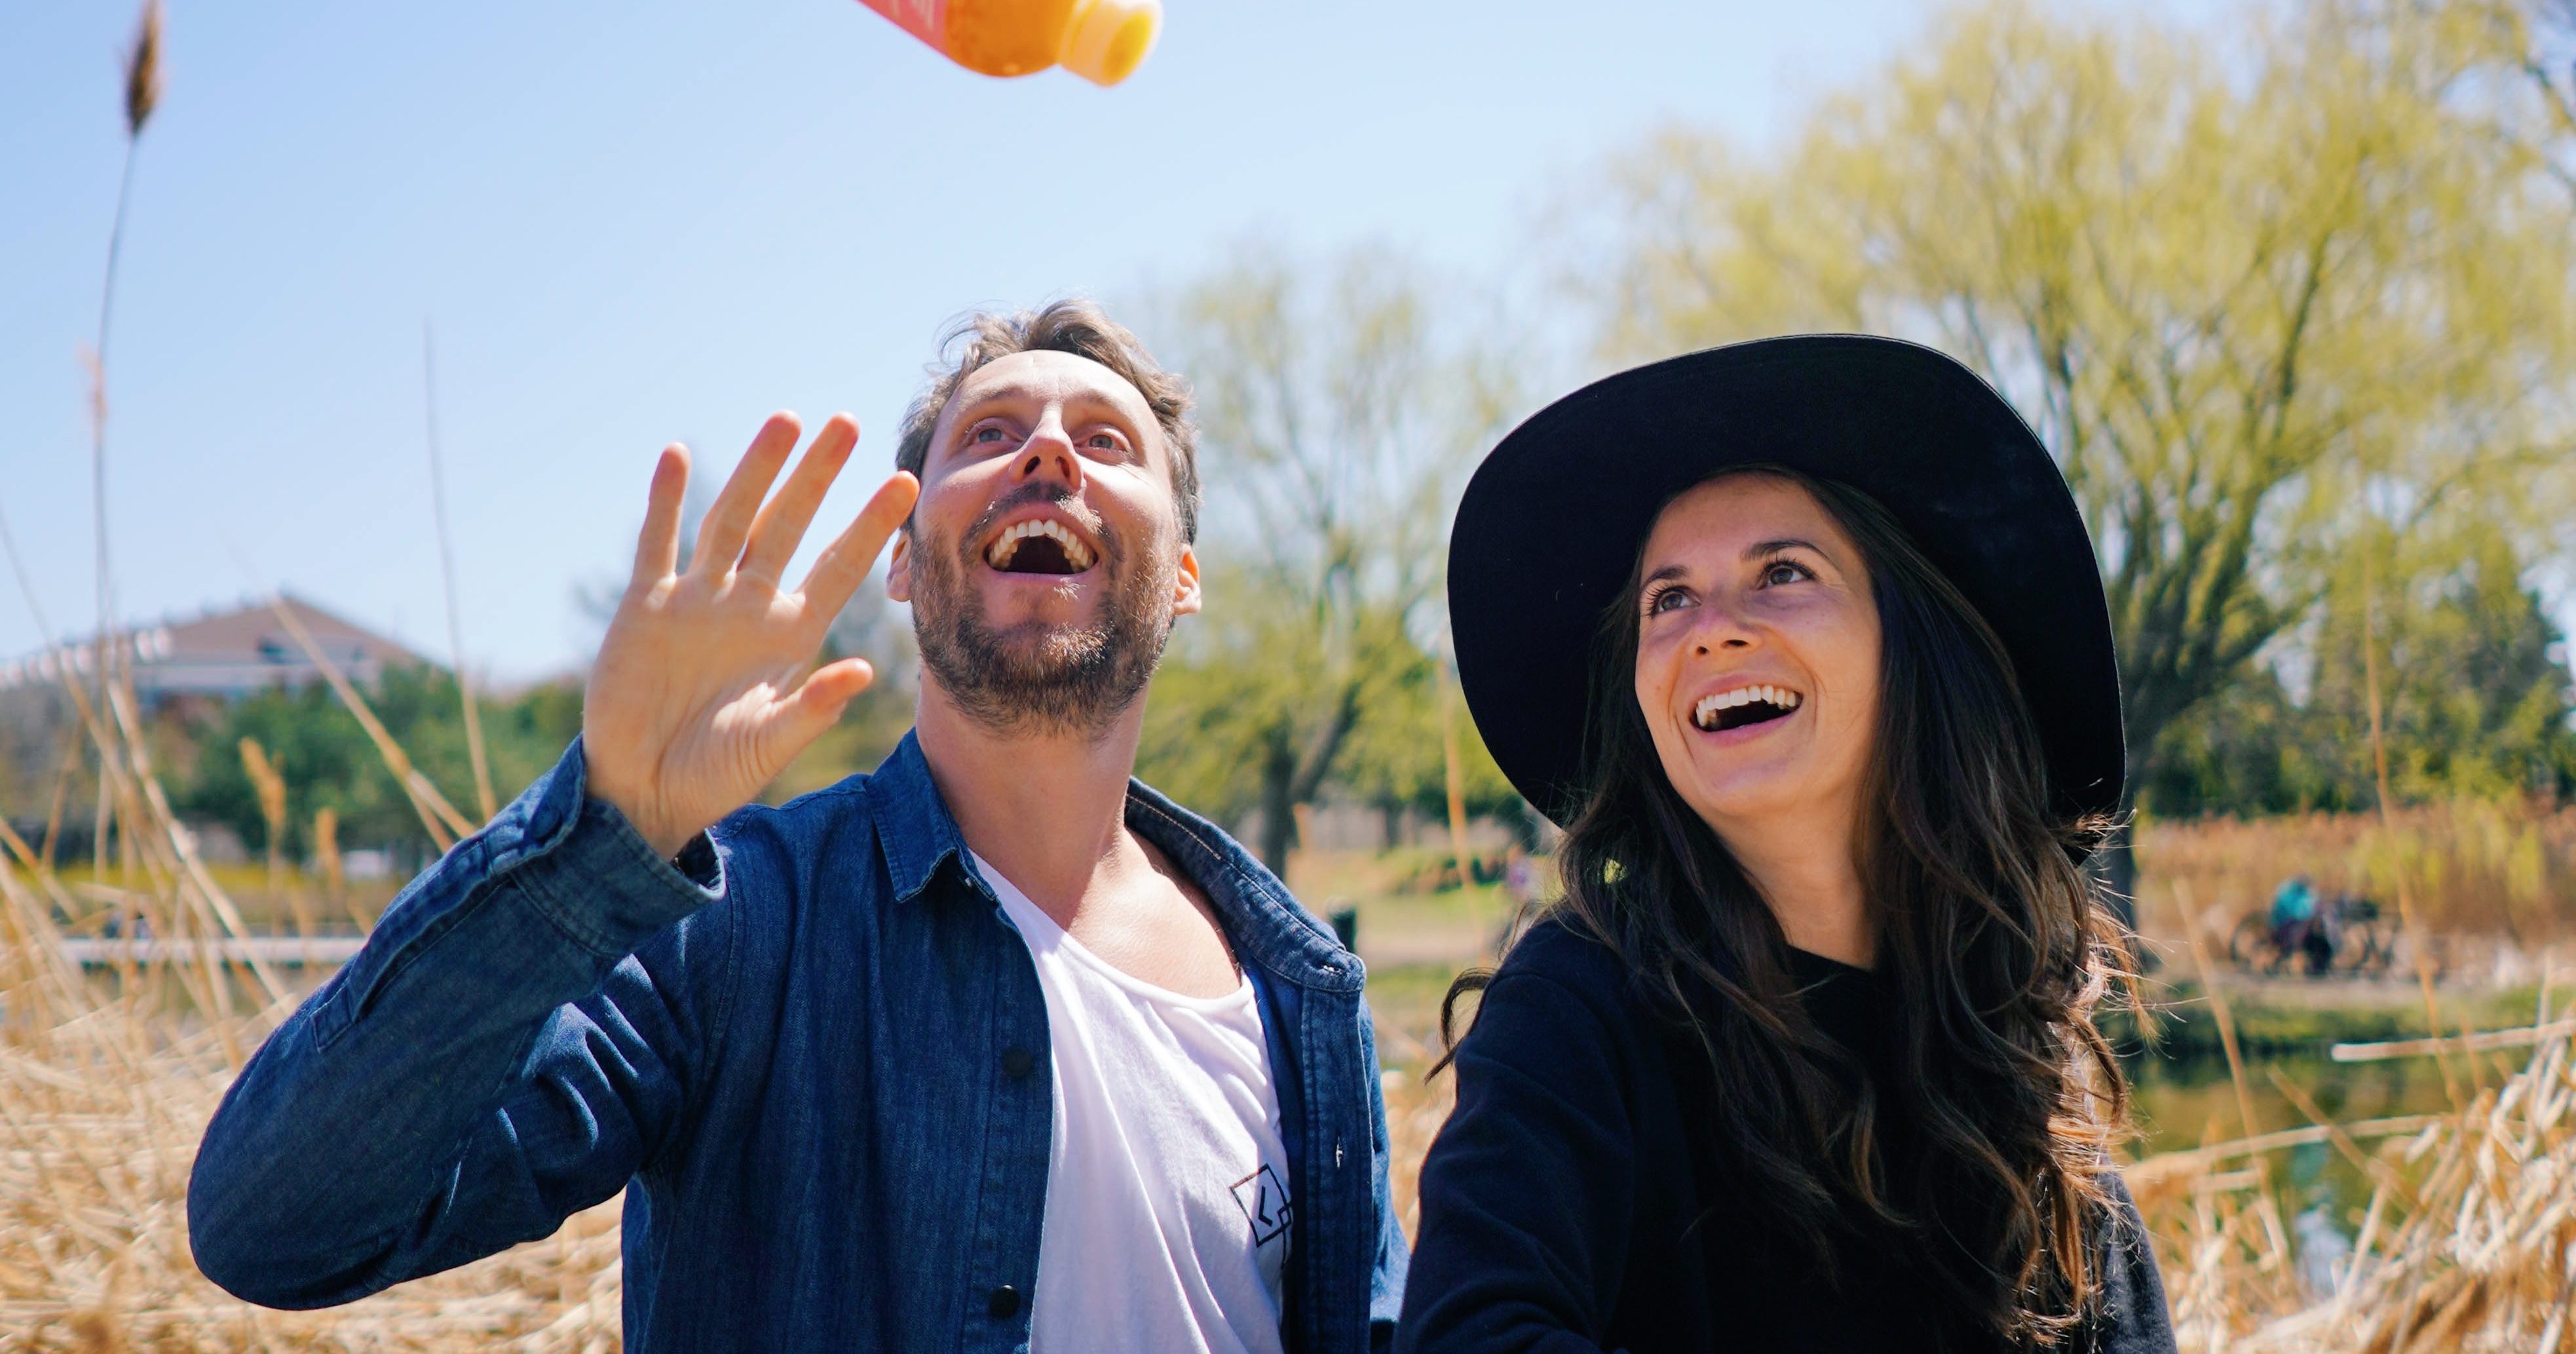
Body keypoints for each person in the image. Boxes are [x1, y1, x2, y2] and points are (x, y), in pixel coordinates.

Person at [189, 301, 1408, 1353]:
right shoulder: (737, 926)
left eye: (1103, 441)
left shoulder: (1302, 990)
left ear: (1184, 573)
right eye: (990, 435)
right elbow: (274, 1224)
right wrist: (597, 840)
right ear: (902, 560)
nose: (1047, 452)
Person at [1399, 336, 2175, 1353]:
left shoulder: (2008, 1036)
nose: (1712, 629)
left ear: (1911, 643)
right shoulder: (1578, 1008)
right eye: (1667, 599)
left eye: (1782, 572)